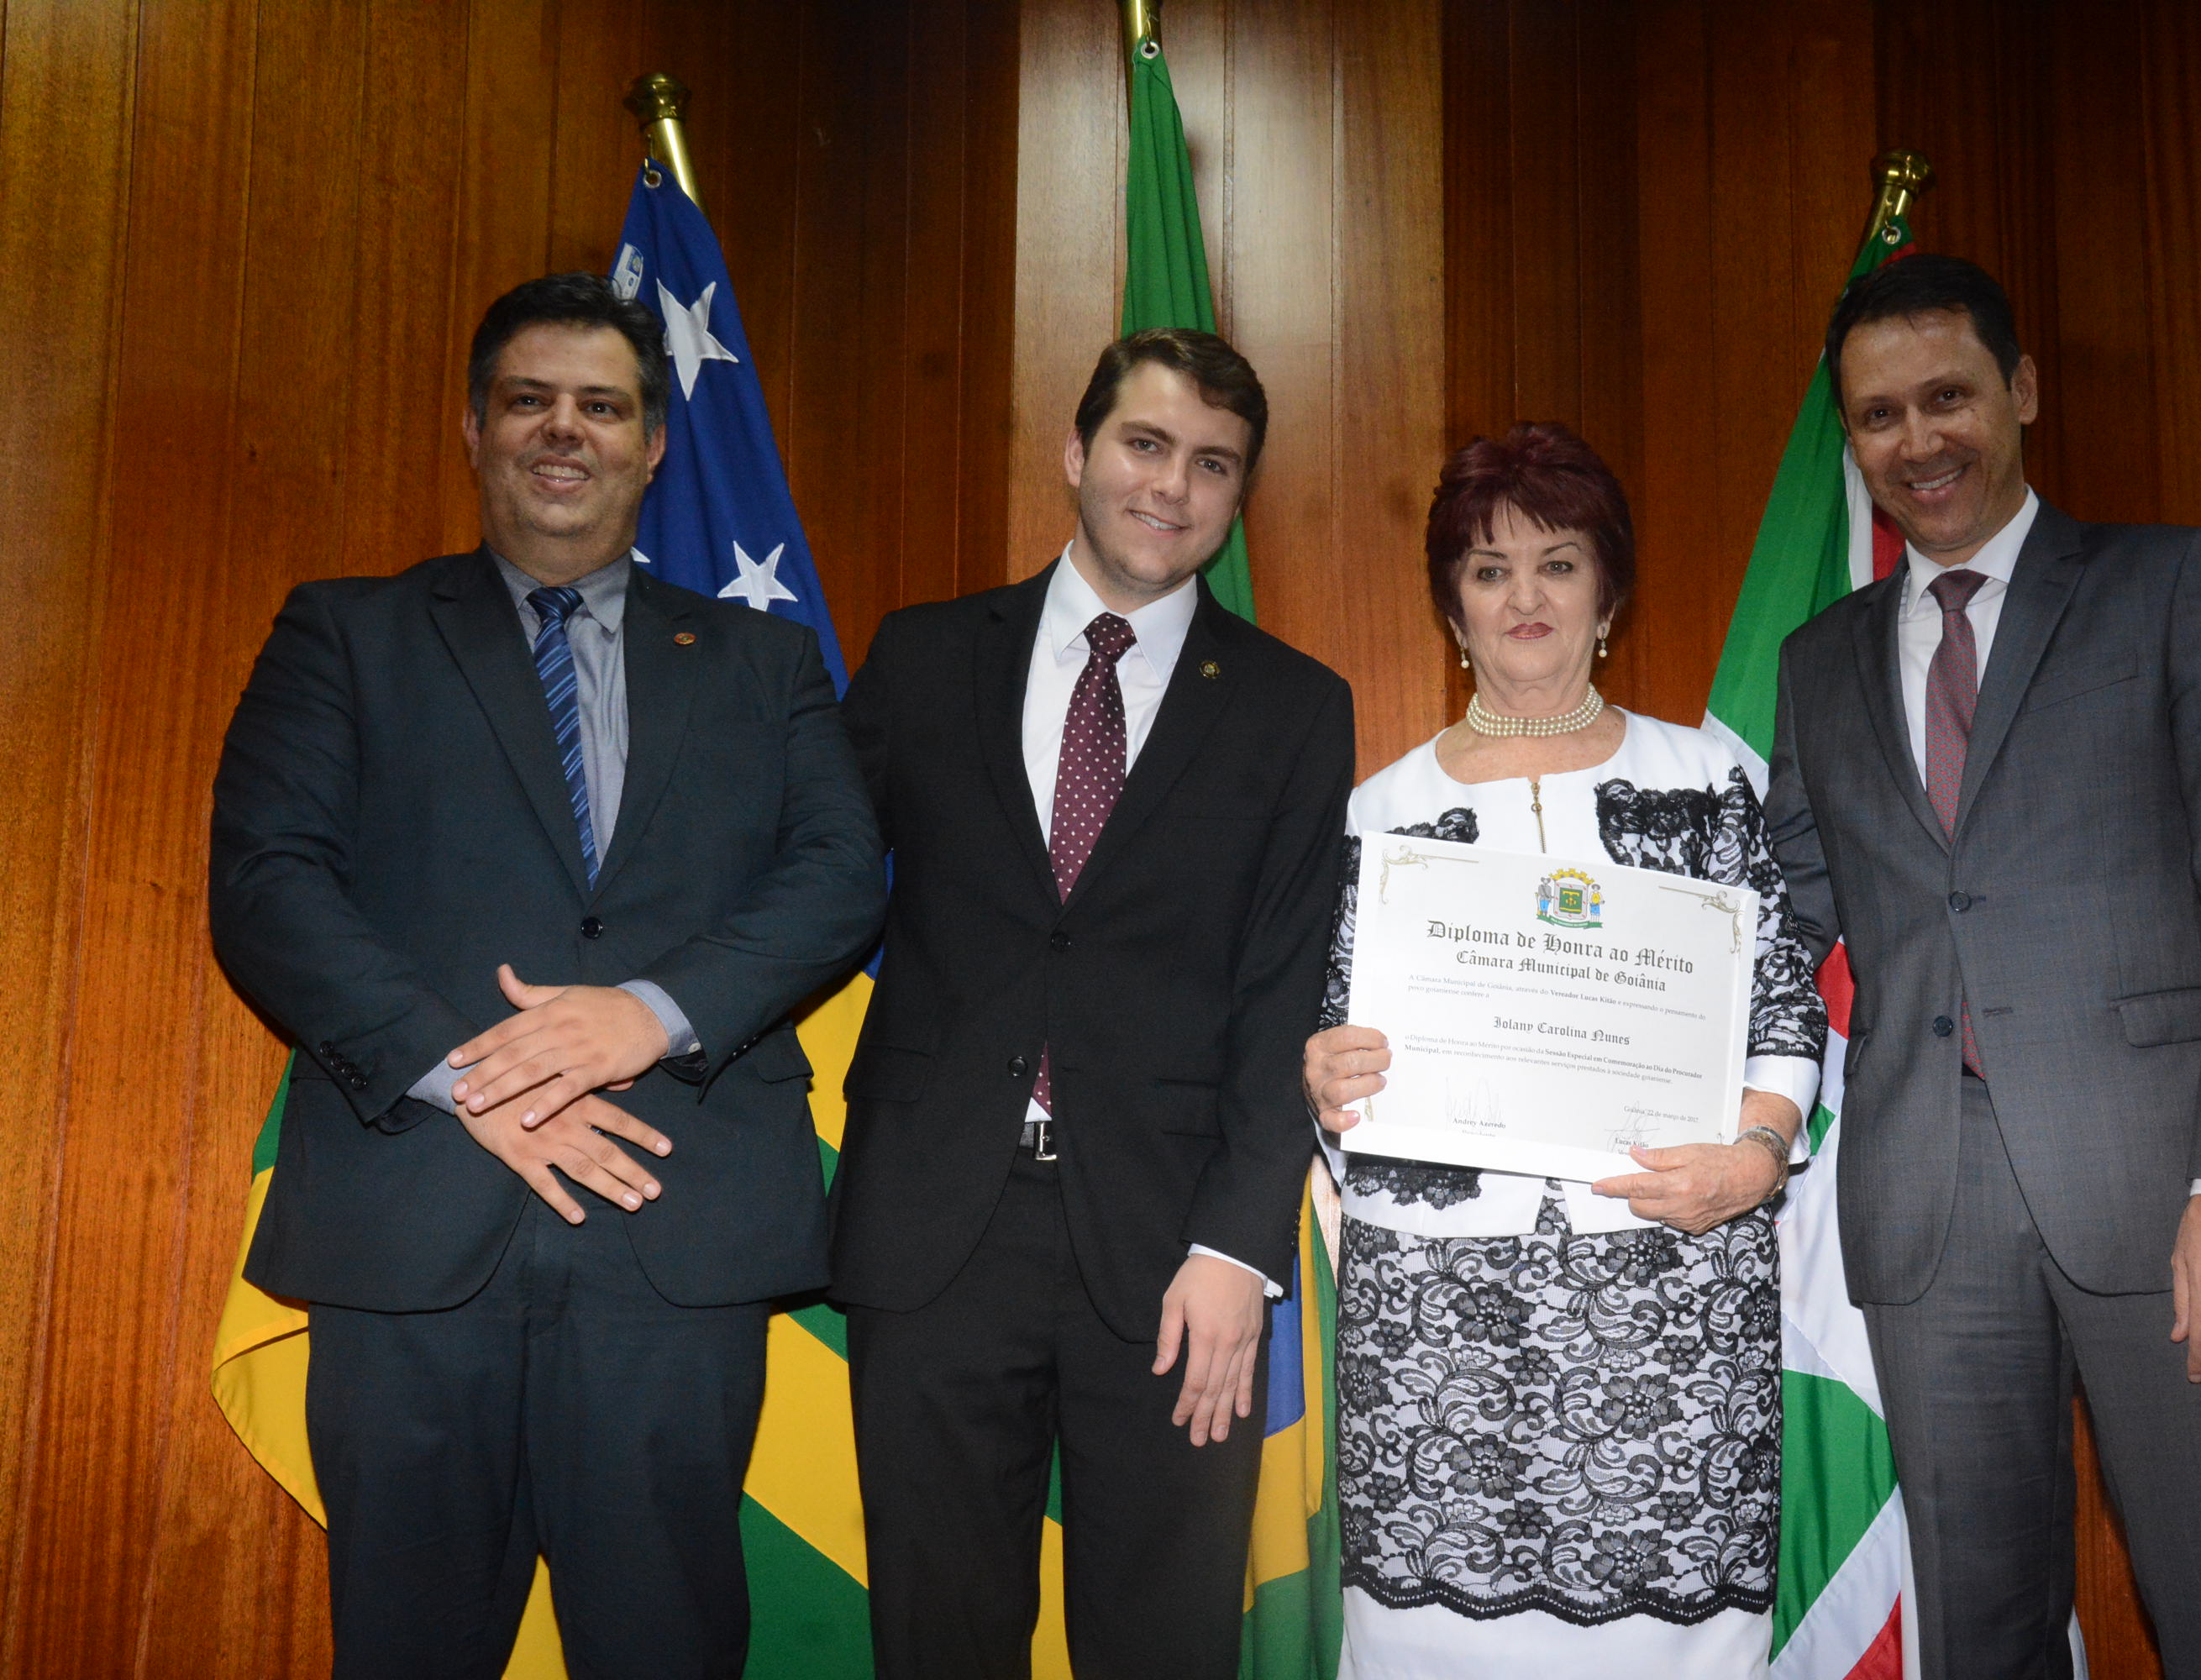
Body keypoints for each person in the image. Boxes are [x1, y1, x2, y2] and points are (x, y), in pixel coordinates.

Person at [208, 271, 887, 1678]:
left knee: (664, 1644)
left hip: (675, 1238)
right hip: (414, 1232)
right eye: (530, 401)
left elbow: (839, 879)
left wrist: (647, 1015)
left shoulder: (764, 662)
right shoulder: (344, 633)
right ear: (475, 429)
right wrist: (481, 1080)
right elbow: (267, 887)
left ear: (653, 444)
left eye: (603, 406)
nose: (564, 430)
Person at [1761, 253, 2201, 1677]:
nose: (1918, 440)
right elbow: (1780, 917)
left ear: (2018, 390)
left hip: (2171, 1196)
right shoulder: (1818, 662)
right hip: (1925, 1208)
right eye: (1879, 415)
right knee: (1984, 1640)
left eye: (1947, 396)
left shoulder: (2172, 581)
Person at [832, 327, 1354, 1678]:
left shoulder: (1296, 710)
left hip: (1176, 1252)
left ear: (1239, 498)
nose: (1172, 485)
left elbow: (1284, 991)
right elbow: (809, 890)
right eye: (1146, 444)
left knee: (1164, 1646)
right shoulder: (923, 657)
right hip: (936, 1232)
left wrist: (1239, 1249)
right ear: (1077, 452)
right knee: (937, 1644)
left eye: (1213, 465)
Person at [1303, 423, 1828, 1677]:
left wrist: (1757, 1156)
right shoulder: (1379, 813)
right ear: (1453, 609)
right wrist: (1323, 1073)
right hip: (1436, 1316)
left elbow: (1782, 1001)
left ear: (1609, 594)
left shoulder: (1705, 780)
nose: (1524, 597)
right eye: (1490, 570)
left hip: (1672, 1291)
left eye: (1558, 562)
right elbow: (1320, 1033)